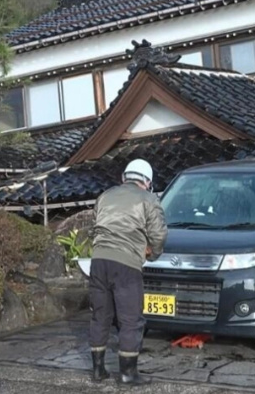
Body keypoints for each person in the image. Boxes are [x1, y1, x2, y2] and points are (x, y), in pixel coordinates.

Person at [88, 159, 167, 385]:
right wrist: (152, 254)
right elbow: (159, 235)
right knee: (130, 319)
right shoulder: (149, 199)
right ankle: (127, 373)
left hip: (99, 261)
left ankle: (98, 370)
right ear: (147, 181)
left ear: (125, 177)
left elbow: (96, 225)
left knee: (100, 316)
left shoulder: (105, 196)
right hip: (126, 264)